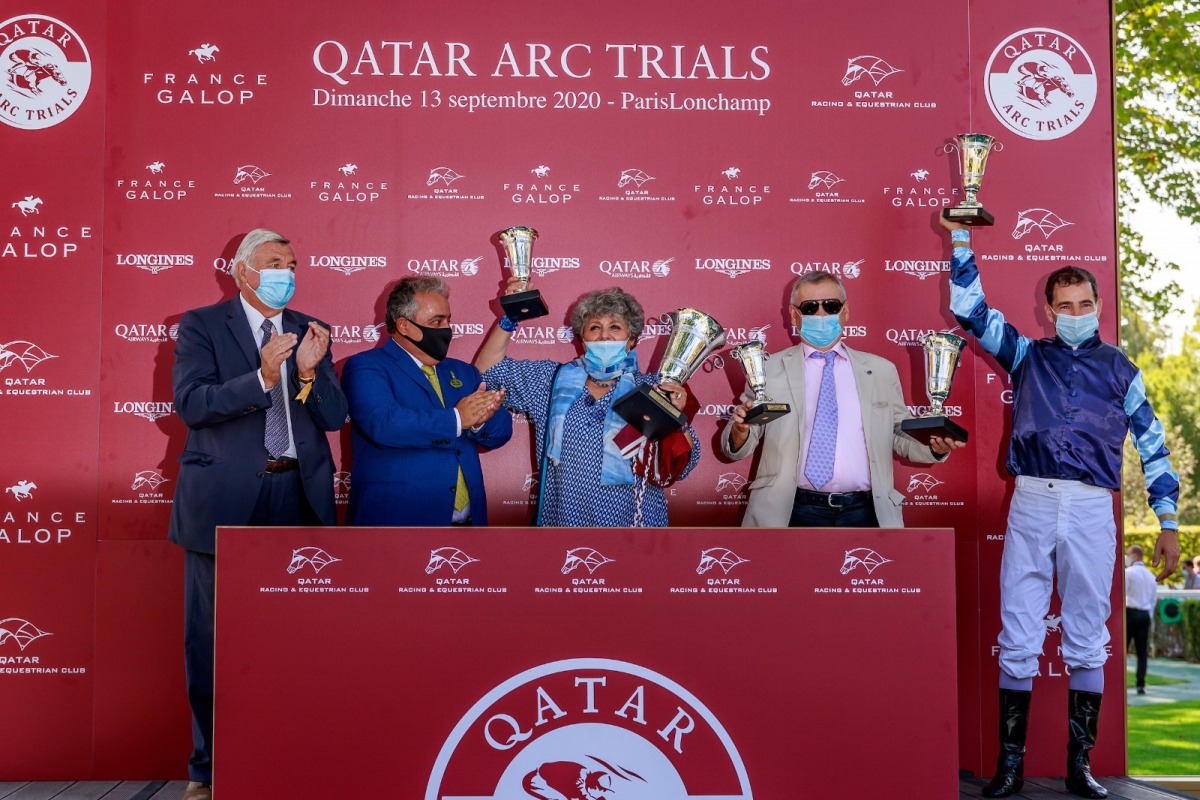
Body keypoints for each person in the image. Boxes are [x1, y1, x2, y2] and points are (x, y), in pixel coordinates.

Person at [939, 216, 1180, 800]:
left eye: (1084, 302)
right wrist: (962, 241)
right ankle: (1012, 768)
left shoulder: (1123, 370)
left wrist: (1169, 520)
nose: (1075, 312)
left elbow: (1152, 445)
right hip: (1033, 499)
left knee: (1087, 634)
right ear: (1048, 310)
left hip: (1094, 506)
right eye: (1064, 304)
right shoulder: (1026, 354)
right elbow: (970, 311)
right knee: (1018, 630)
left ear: (1098, 304)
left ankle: (1081, 768)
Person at [169, 228, 347, 800]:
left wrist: (312, 374)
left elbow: (336, 418)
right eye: (274, 262)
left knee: (298, 636)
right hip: (224, 499)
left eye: (292, 262)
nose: (287, 272)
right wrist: (264, 378)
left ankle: (291, 752)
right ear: (242, 271)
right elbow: (193, 404)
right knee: (211, 638)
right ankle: (209, 767)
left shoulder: (310, 326)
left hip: (298, 494)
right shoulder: (201, 324)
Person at [720, 270, 963, 527]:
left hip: (867, 512)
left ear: (845, 312)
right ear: (794, 315)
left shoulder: (881, 370)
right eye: (811, 307)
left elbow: (898, 436)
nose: (822, 314)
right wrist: (739, 430)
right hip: (788, 511)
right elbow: (737, 446)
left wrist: (933, 447)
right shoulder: (767, 369)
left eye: (831, 305)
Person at [475, 282, 699, 526]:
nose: (604, 336)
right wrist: (510, 317)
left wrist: (677, 418)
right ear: (582, 338)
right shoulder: (549, 380)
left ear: (631, 339)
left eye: (615, 327)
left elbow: (685, 464)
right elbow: (487, 371)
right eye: (595, 328)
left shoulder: (653, 388)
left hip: (636, 526)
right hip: (562, 523)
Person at [341, 277, 512, 526]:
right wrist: (457, 419)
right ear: (404, 325)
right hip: (397, 522)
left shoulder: (464, 372)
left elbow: (501, 431)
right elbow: (384, 424)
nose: (447, 329)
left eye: (448, 320)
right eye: (436, 321)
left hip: (468, 524)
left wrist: (479, 422)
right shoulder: (366, 366)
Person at [1125, 545, 1157, 695]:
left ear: (1133, 555)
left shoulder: (1128, 573)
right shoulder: (1151, 576)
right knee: (1142, 652)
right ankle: (1140, 684)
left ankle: (1118, 682)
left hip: (1130, 613)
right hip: (1144, 615)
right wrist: (1148, 616)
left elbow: (1122, 594)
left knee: (1122, 650)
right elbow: (1153, 600)